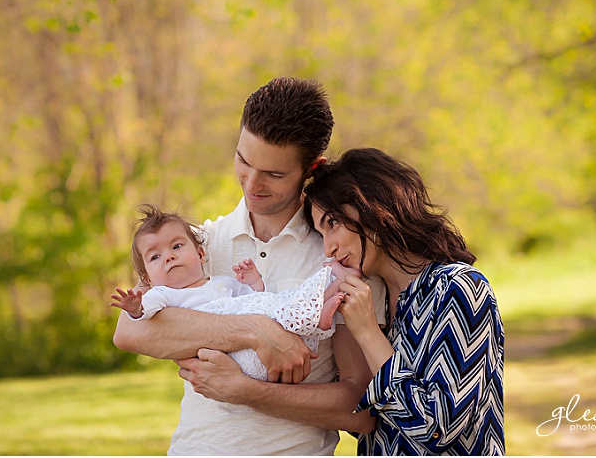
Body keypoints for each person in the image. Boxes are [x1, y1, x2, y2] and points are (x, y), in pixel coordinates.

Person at [112, 77, 382, 455]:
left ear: (311, 168)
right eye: (243, 160)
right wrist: (256, 331)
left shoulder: (337, 255)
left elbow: (358, 404)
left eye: (274, 174)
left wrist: (248, 392)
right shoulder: (201, 243)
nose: (252, 184)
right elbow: (130, 332)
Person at [193, 147, 505, 454]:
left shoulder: (459, 288)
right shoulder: (376, 300)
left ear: (375, 205)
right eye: (320, 232)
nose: (327, 249)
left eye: (332, 224)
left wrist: (367, 332)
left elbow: (438, 428)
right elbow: (362, 417)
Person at [110, 204, 345, 381]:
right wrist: (134, 308)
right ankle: (319, 311)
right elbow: (144, 313)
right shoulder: (164, 294)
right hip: (237, 357)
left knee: (282, 301)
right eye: (155, 256)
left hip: (268, 338)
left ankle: (323, 304)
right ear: (148, 279)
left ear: (201, 254)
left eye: (177, 246)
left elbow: (256, 297)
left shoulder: (221, 282)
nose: (169, 256)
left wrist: (254, 280)